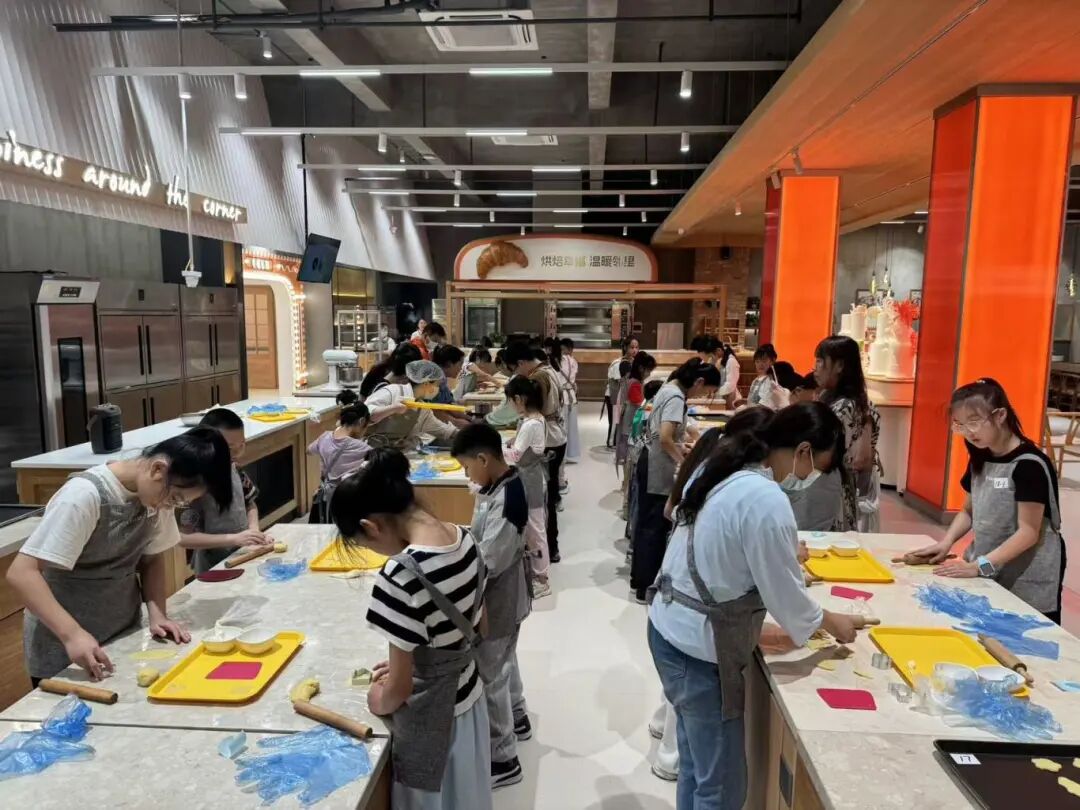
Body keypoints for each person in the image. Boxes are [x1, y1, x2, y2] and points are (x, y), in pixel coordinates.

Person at [648, 403, 863, 809]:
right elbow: (785, 594)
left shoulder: (730, 471)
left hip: (670, 629)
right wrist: (831, 622)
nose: (811, 478)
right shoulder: (765, 497)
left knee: (697, 768)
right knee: (722, 788)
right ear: (803, 451)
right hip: (698, 650)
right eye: (817, 467)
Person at [329, 449, 492, 810]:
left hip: (433, 724)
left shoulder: (401, 574)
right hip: (471, 703)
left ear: (371, 527)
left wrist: (377, 698)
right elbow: (480, 625)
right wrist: (427, 659)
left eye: (367, 545)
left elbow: (398, 690)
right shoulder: (466, 538)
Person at [7, 428, 233, 682]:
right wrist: (72, 635)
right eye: (175, 498)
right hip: (63, 644)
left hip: (121, 634)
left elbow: (152, 557)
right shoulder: (84, 496)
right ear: (158, 469)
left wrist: (158, 613)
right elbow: (22, 573)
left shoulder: (155, 498)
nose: (171, 506)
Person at [906, 379, 1067, 623]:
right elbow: (968, 511)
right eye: (960, 424)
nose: (969, 432)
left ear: (1000, 415)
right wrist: (946, 542)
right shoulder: (981, 457)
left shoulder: (1029, 465)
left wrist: (979, 566)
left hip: (1027, 573)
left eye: (974, 422)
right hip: (987, 563)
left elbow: (1028, 533)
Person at [451, 424, 532, 788]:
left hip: (501, 598)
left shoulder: (508, 498)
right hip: (505, 597)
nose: (467, 475)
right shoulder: (497, 485)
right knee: (505, 660)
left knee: (491, 674)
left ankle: (503, 758)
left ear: (483, 459)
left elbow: (490, 560)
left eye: (467, 467)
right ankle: (518, 716)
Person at [630, 359, 722, 604]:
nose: (703, 396)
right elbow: (665, 438)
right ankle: (646, 585)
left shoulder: (669, 386)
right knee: (654, 526)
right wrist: (684, 461)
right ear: (699, 382)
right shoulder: (676, 396)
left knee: (647, 523)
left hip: (650, 459)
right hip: (657, 465)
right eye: (707, 391)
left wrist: (682, 447)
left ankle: (640, 581)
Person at [178, 409, 267, 574]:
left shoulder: (235, 469)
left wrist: (253, 531)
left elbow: (250, 503)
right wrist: (234, 539)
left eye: (241, 446)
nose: (236, 454)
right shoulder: (193, 482)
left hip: (243, 553)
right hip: (211, 564)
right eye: (229, 448)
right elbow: (183, 538)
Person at [503, 342, 567, 564]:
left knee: (541, 505)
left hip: (548, 440)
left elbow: (532, 412)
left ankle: (546, 551)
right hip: (555, 435)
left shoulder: (538, 378)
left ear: (521, 363)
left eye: (514, 369)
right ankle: (548, 548)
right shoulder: (548, 369)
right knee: (547, 498)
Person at [814, 336, 881, 532]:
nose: (816, 367)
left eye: (820, 361)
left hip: (831, 490)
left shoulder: (844, 408)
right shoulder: (859, 403)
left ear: (839, 365)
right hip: (840, 488)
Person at [502, 376, 551, 598]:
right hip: (532, 478)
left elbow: (515, 456)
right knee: (534, 529)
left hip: (530, 480)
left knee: (535, 531)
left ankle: (541, 578)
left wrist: (498, 451)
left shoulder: (531, 424)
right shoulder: (535, 419)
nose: (511, 405)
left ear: (519, 399)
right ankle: (536, 572)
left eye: (511, 401)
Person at [364, 359, 459, 450]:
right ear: (426, 384)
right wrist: (393, 408)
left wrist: (463, 434)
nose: (437, 390)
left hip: (395, 453)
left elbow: (444, 430)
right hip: (371, 452)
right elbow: (365, 415)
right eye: (437, 385)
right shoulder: (392, 391)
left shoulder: (422, 409)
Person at [307, 403, 373, 523]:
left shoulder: (324, 437)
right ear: (362, 421)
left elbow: (309, 451)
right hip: (348, 498)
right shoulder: (361, 447)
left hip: (325, 497)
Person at [616, 352, 658, 472]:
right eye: (648, 370)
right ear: (641, 368)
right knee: (630, 454)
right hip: (631, 422)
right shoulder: (635, 383)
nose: (649, 374)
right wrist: (653, 405)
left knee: (630, 454)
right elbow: (640, 404)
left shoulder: (634, 381)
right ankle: (627, 480)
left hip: (631, 421)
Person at [549, 339, 580, 477]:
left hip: (561, 396)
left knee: (561, 426)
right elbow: (573, 378)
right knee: (571, 426)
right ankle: (571, 453)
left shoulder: (556, 361)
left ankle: (562, 455)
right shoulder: (573, 361)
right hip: (571, 395)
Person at [605, 336, 640, 447]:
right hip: (614, 394)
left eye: (637, 347)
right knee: (615, 419)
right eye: (632, 347)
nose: (634, 350)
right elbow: (618, 384)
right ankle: (612, 441)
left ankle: (619, 440)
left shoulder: (634, 363)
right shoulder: (618, 363)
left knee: (622, 419)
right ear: (625, 348)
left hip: (624, 396)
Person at [743, 344, 790, 410]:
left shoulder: (773, 381)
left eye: (764, 361)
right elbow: (756, 400)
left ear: (772, 361)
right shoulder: (756, 381)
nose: (760, 364)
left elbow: (766, 405)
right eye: (757, 361)